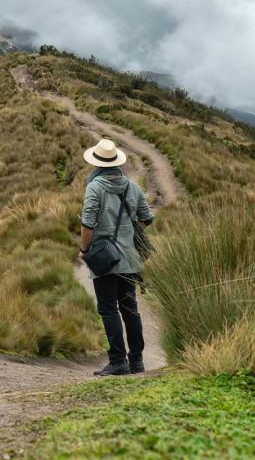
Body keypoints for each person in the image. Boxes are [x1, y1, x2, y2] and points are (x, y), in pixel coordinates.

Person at [78, 138, 154, 376]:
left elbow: (87, 223)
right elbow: (146, 217)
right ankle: (137, 361)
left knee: (108, 309)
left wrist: (85, 250)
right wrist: (127, 231)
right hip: (130, 257)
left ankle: (118, 360)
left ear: (97, 163)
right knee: (130, 308)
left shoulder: (95, 186)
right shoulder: (132, 186)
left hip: (105, 258)